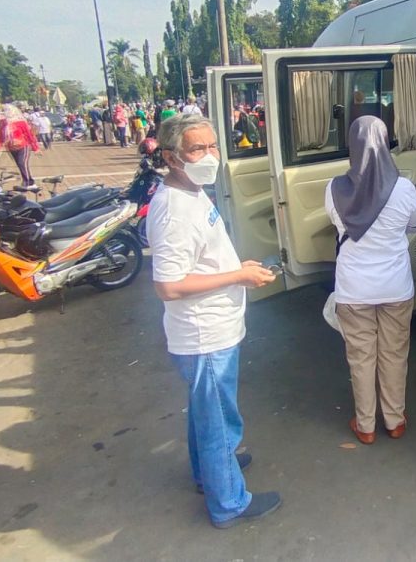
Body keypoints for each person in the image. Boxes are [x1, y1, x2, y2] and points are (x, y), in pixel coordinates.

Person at [148, 113, 282, 529]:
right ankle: (229, 502)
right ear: (172, 157)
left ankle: (210, 471)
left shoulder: (193, 190)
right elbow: (168, 285)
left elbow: (200, 258)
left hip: (214, 325)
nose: (209, 156)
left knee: (206, 412)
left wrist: (235, 266)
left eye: (212, 146)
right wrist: (238, 276)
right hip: (205, 334)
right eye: (196, 149)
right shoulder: (173, 209)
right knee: (218, 417)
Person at [324, 117, 416, 445]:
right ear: (385, 142)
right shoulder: (405, 188)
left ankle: (365, 425)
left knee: (361, 357)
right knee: (395, 354)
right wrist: (395, 240)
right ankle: (395, 420)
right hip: (396, 287)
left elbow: (339, 228)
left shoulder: (334, 189)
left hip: (353, 290)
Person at [0, 104, 39, 187]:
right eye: (5, 111)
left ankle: (28, 182)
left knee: (22, 163)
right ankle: (29, 180)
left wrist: (35, 148)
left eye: (8, 111)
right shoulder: (4, 123)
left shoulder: (21, 123)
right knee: (20, 165)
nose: (6, 113)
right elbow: (0, 135)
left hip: (23, 146)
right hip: (12, 148)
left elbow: (29, 135)